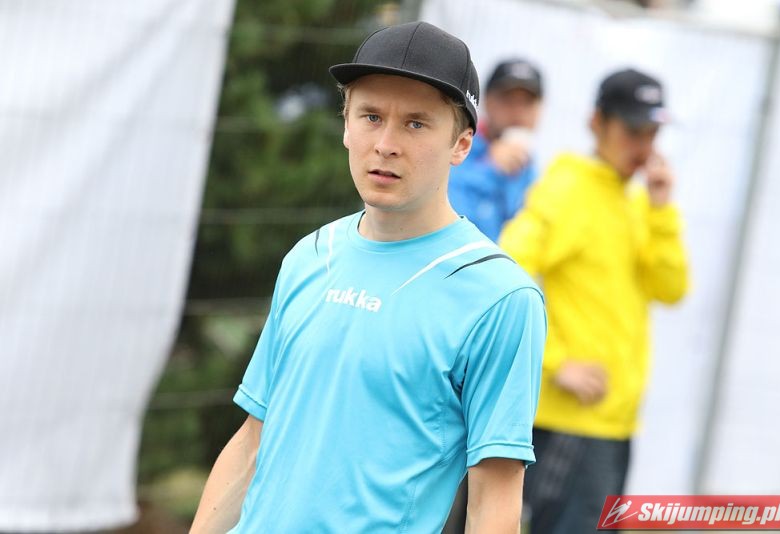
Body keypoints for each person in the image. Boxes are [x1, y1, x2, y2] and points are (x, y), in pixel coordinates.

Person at [190, 21, 547, 533]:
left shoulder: (500, 296)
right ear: (345, 125)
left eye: (416, 124)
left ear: (462, 144)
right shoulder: (311, 255)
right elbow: (252, 441)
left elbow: (493, 499)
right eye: (371, 116)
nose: (385, 144)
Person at [499, 68, 690, 534]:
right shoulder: (568, 189)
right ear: (596, 123)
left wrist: (662, 211)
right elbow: (501, 275)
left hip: (616, 422)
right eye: (632, 130)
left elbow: (671, 289)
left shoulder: (638, 200)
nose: (642, 145)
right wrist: (552, 361)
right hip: (571, 424)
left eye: (651, 132)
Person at [448, 59, 544, 242]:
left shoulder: (533, 170)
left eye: (527, 103)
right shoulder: (458, 147)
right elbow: (450, 221)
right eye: (508, 101)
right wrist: (491, 169)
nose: (518, 112)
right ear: (487, 102)